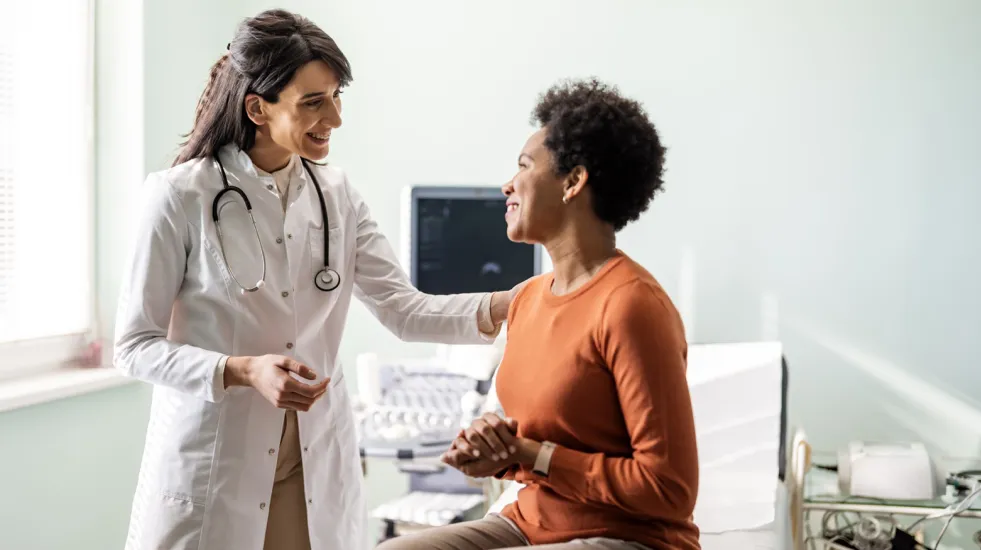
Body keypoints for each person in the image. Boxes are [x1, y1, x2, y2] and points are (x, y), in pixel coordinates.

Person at [113, 9, 521, 550]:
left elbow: (402, 309)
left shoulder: (338, 195)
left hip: (312, 465)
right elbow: (134, 346)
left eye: (335, 96)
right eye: (313, 102)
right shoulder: (180, 196)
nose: (335, 117)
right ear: (258, 107)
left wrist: (517, 303)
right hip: (217, 466)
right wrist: (241, 370)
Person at [375, 79, 700, 550]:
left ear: (573, 182)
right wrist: (497, 449)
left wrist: (534, 455)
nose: (507, 184)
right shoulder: (527, 299)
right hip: (532, 522)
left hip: (626, 536)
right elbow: (538, 440)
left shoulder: (632, 306)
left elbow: (670, 489)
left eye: (524, 166)